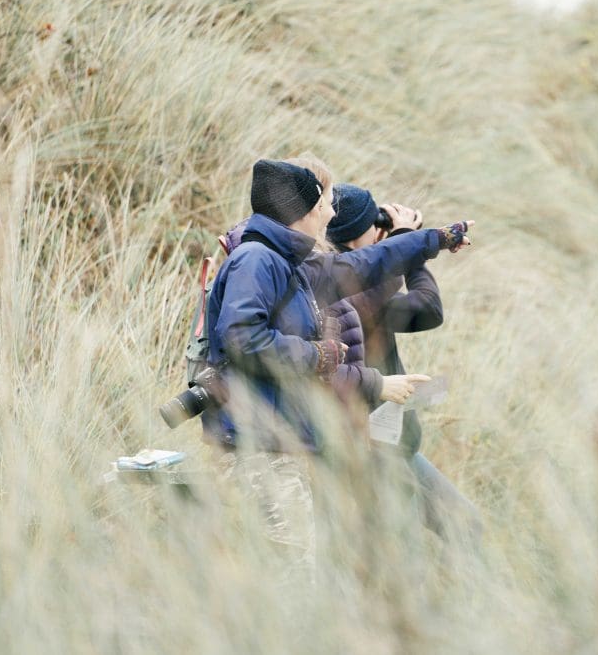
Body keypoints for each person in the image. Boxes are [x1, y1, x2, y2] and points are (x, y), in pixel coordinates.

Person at [203, 156, 473, 579]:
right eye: (326, 203)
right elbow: (243, 340)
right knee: (297, 585)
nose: (331, 213)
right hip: (264, 448)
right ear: (306, 210)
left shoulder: (289, 263)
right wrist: (325, 358)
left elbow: (366, 265)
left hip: (287, 445)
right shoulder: (258, 261)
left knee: (313, 581)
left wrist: (431, 240)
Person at [327, 183, 482, 545]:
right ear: (354, 240)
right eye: (375, 225)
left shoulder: (348, 278)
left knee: (466, 525)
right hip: (377, 455)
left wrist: (404, 246)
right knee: (403, 566)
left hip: (396, 447)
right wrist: (406, 246)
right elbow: (428, 309)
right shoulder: (356, 295)